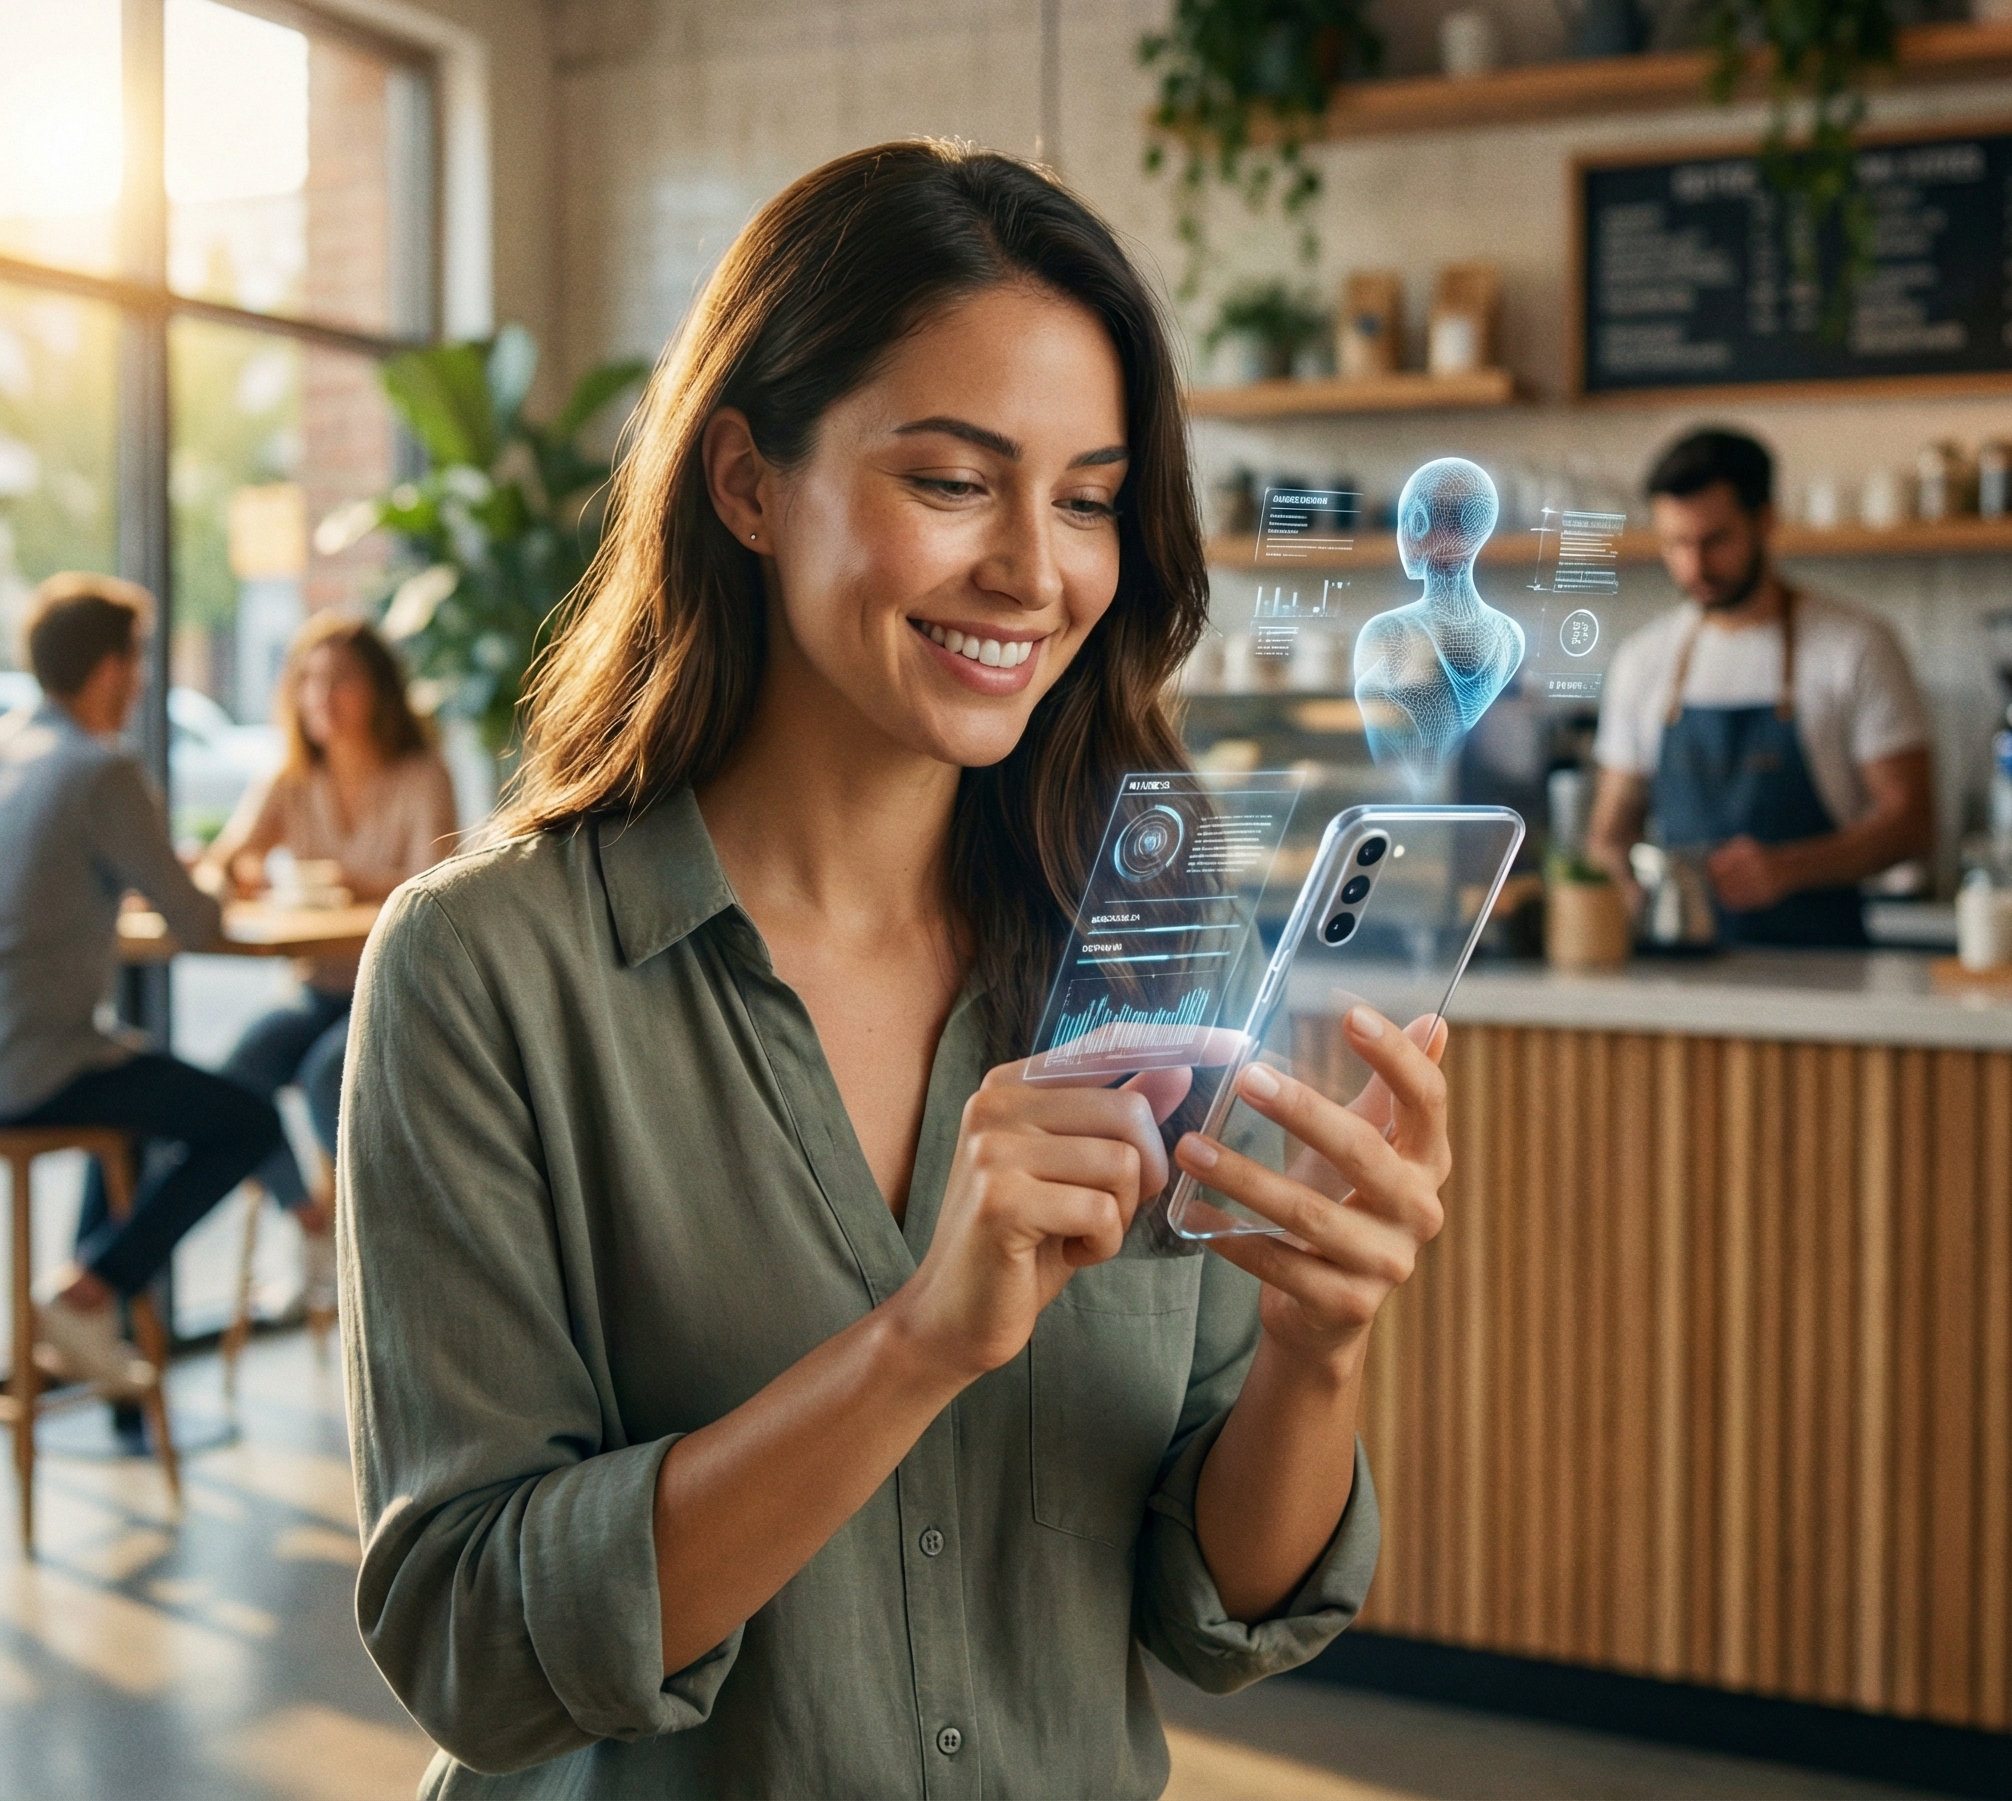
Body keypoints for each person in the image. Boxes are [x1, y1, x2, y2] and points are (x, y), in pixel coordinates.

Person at [342, 142, 1456, 1799]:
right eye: (950, 480)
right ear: (745, 481)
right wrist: (917, 1342)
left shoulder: (1158, 948)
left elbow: (1213, 1602)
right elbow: (473, 1652)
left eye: (1085, 496)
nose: (1034, 567)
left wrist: (1317, 1347)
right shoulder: (487, 966)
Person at [0, 575, 282, 1395]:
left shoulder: (14, 748)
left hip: (17, 1051)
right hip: (40, 1066)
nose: (143, 682)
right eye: (139, 663)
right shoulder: (100, 769)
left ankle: (90, 1312)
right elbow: (194, 923)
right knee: (248, 1121)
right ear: (114, 670)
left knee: (130, 1083)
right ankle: (88, 1292)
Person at [1587, 427, 1932, 946]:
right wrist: (1632, 889)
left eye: (1714, 541)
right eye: (1676, 544)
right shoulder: (1644, 661)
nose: (1694, 566)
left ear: (1765, 521)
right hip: (1682, 971)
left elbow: (1912, 822)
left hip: (1828, 968)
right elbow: (1609, 834)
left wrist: (1790, 868)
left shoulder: (1856, 647)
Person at [207, 612, 457, 1286]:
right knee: (236, 1079)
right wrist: (242, 868)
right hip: (315, 987)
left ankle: (377, 1244)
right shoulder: (291, 779)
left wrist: (355, 882)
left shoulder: (421, 774)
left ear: (379, 689)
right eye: (309, 680)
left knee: (328, 1075)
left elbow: (437, 890)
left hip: (394, 991)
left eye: (341, 679)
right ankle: (314, 1222)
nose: (322, 695)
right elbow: (230, 859)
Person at [1352, 457, 1526, 772]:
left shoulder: (1387, 631)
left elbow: (1387, 768)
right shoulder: (1509, 634)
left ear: (1419, 524)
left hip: (1410, 804)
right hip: (1479, 795)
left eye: (1406, 521)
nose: (1400, 536)